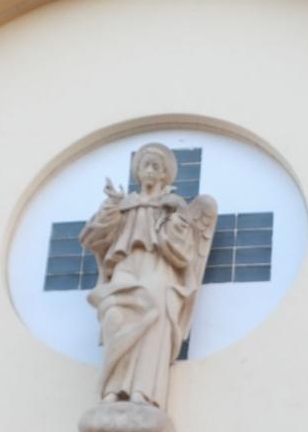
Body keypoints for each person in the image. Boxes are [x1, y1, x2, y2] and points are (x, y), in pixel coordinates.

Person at [80, 143, 218, 409]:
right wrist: (111, 207)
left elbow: (183, 253)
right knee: (115, 317)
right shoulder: (125, 205)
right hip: (127, 265)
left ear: (165, 174)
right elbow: (93, 238)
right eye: (146, 165)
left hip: (159, 267)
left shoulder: (173, 206)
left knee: (154, 323)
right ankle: (112, 388)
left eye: (157, 166)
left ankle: (141, 392)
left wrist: (174, 215)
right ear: (138, 171)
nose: (151, 171)